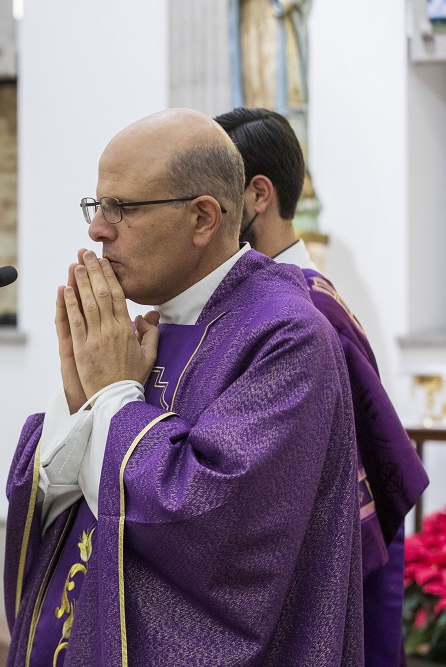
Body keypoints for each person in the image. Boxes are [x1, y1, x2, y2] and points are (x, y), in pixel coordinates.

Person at [3, 109, 363, 666]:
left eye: (122, 208)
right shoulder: (152, 327)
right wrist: (81, 401)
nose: (98, 229)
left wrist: (112, 398)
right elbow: (60, 502)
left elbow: (212, 528)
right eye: (97, 206)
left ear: (202, 219)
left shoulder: (287, 337)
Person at [214, 106, 429, 667]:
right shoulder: (265, 300)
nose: (204, 214)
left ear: (258, 194)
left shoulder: (306, 311)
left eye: (217, 195)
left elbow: (361, 479)